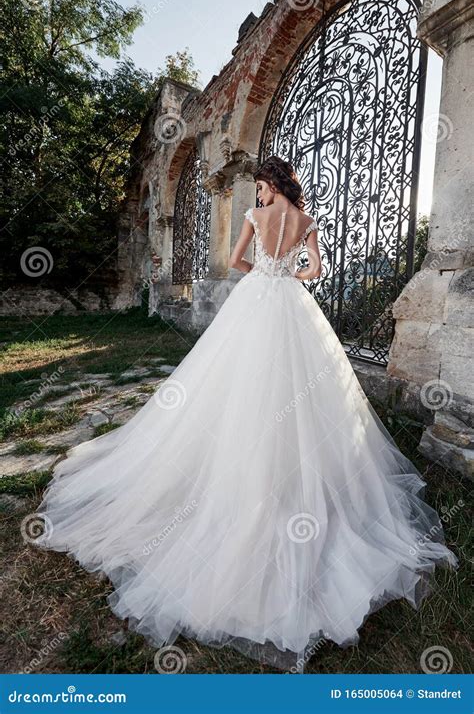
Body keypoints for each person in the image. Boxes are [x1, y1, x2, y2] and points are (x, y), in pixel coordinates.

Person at [32, 155, 458, 674]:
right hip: (294, 307)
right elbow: (316, 271)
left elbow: (234, 263)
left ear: (270, 185)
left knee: (230, 386)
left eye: (259, 186)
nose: (257, 194)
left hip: (256, 302)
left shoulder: (257, 219)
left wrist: (264, 271)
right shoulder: (306, 221)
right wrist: (288, 273)